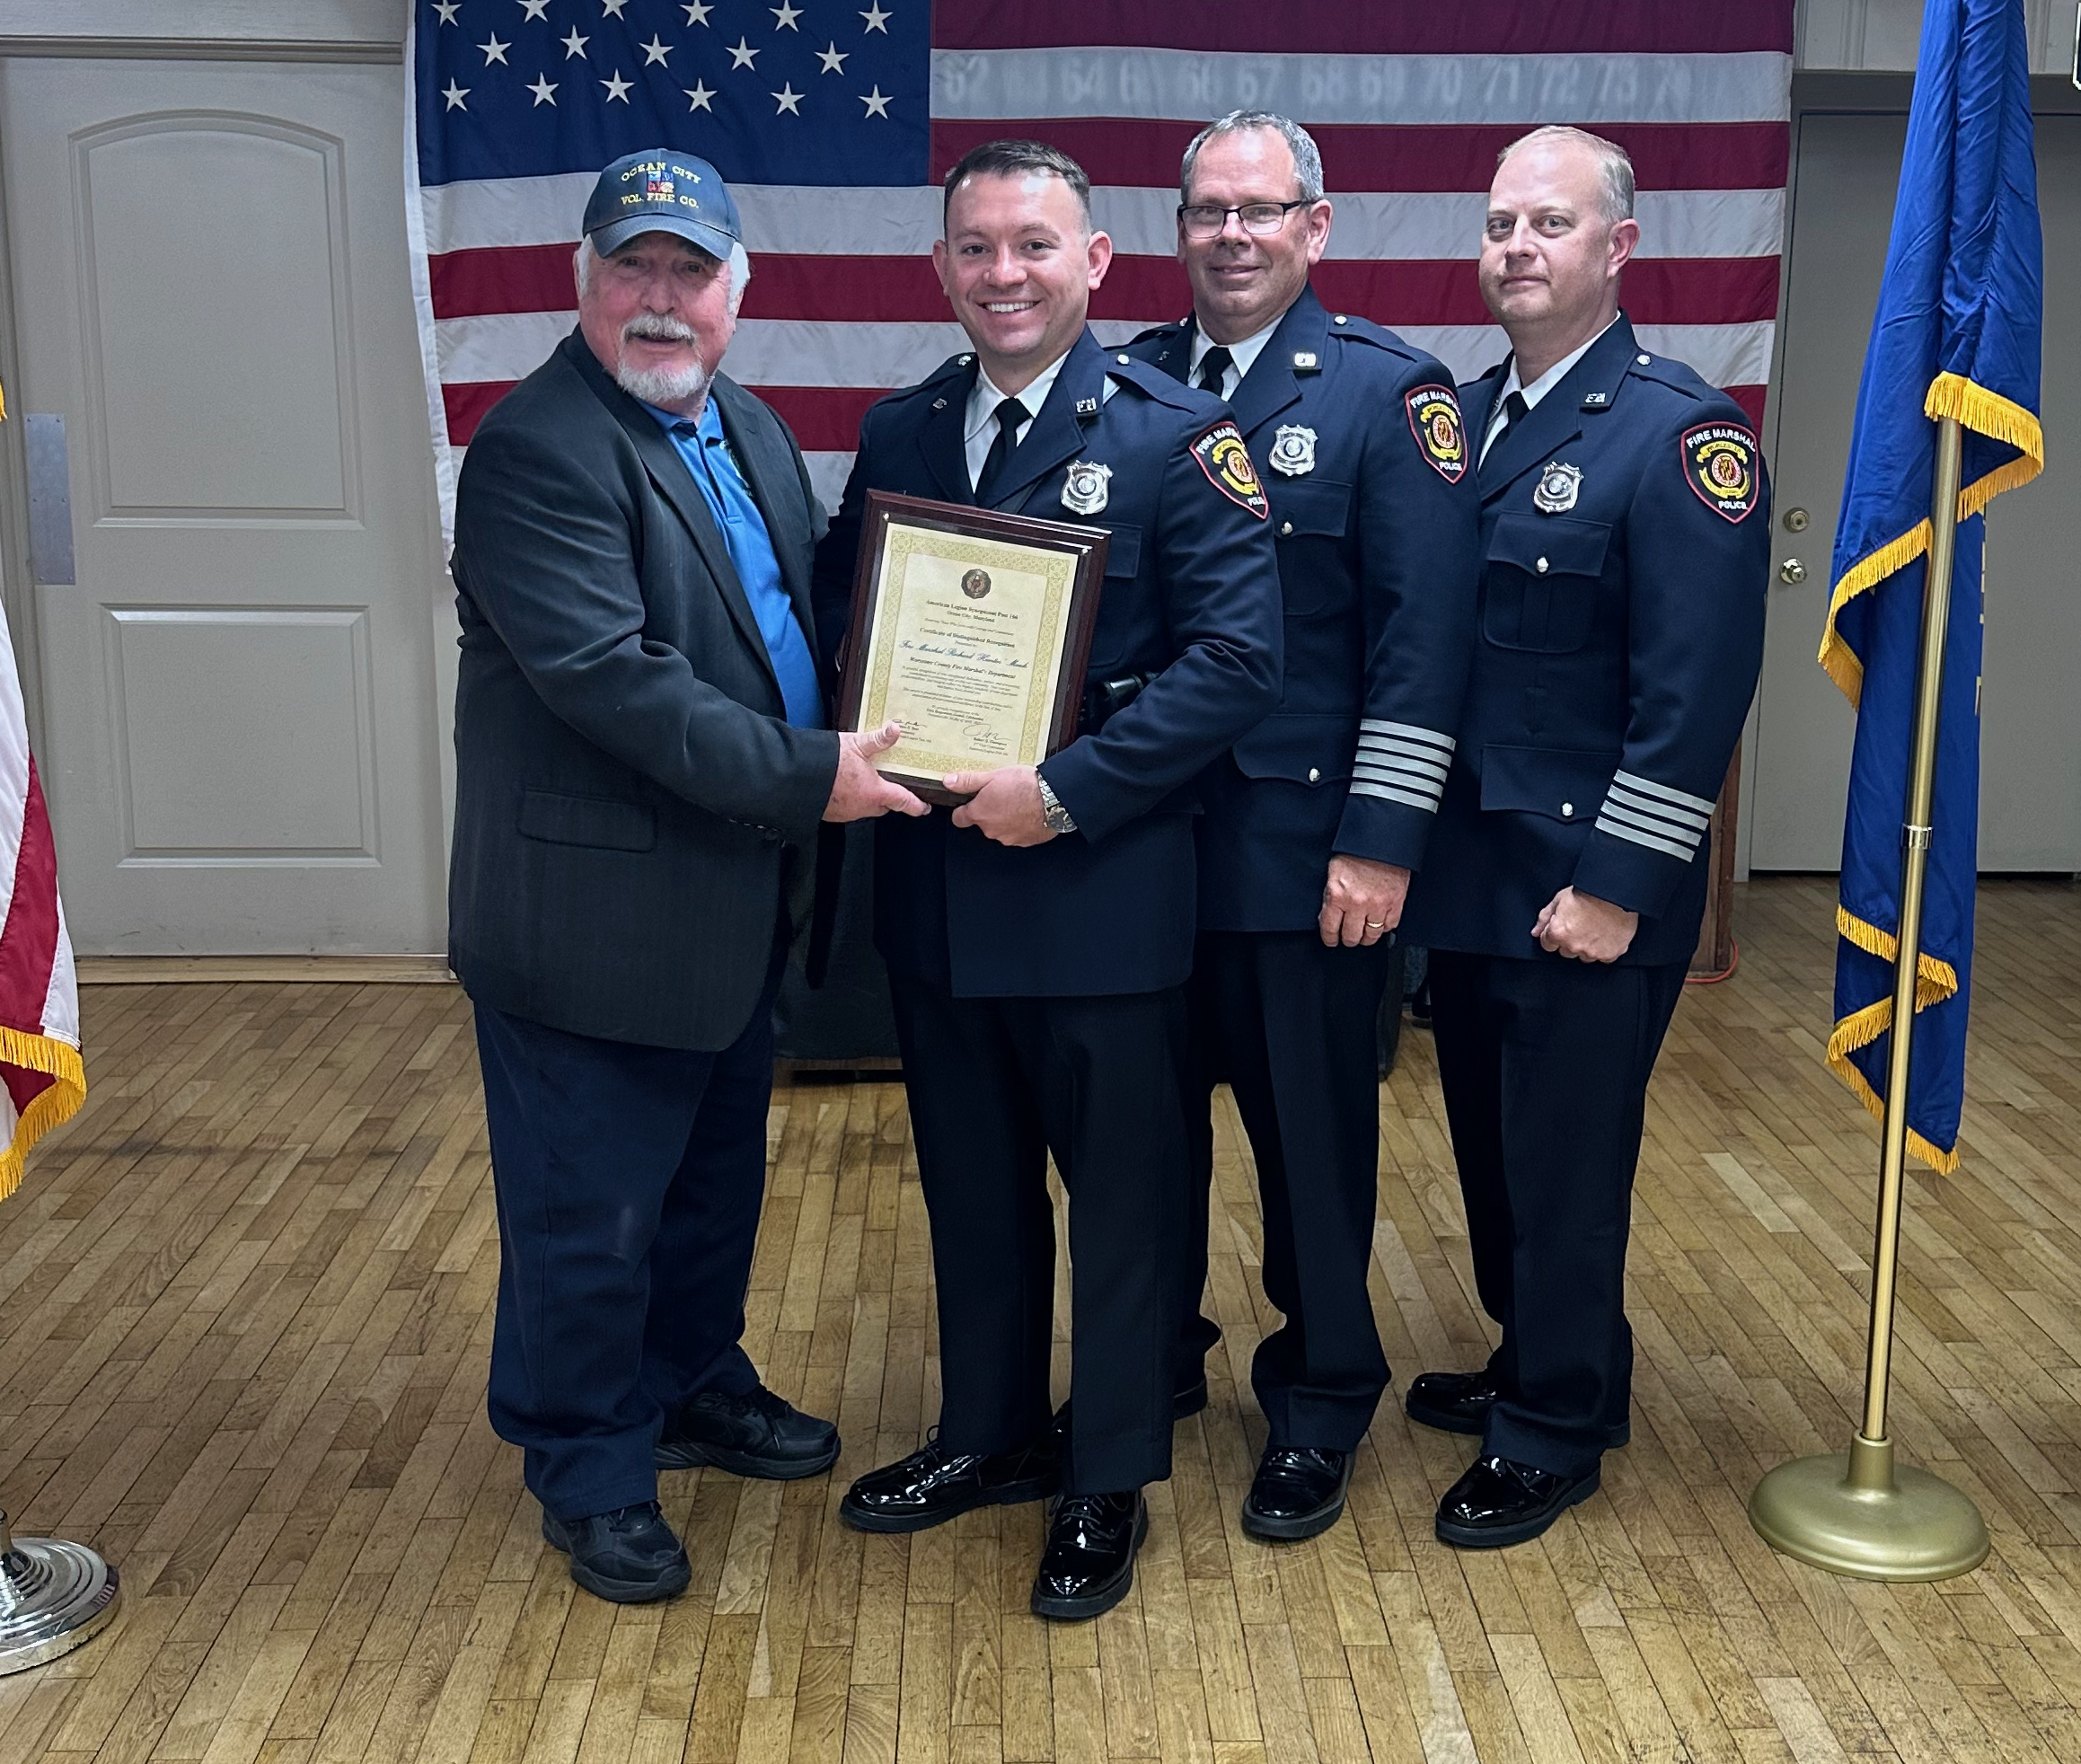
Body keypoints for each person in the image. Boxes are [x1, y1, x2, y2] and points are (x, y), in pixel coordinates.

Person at [812, 140, 1283, 1621]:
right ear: (941, 268)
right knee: (971, 1186)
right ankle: (990, 1432)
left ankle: (1108, 1476)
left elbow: (1238, 662)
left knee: (1125, 1203)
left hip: (1098, 898)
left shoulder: (1176, 434)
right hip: (937, 895)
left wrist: (1069, 791)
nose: (1003, 273)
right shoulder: (900, 429)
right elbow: (845, 615)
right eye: (977, 248)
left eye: (1033, 245)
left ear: (1094, 262)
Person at [448, 149, 925, 1604]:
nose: (661, 298)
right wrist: (814, 776)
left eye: (689, 271)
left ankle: (691, 1382)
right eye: (632, 267)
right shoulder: (539, 449)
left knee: (710, 1187)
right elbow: (615, 682)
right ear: (581, 279)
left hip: (731, 895)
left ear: (736, 292)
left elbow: (810, 606)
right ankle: (589, 1464)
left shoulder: (748, 425)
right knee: (589, 1216)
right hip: (594, 923)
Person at [1398, 126, 1768, 1548]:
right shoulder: (1464, 419)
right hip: (1475, 874)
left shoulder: (1680, 434)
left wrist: (1616, 886)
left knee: (1565, 1168)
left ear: (1619, 248)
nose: (1516, 247)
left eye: (1548, 224)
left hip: (1589, 886)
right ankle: (1542, 1358)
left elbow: (1695, 694)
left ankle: (1552, 1428)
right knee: (1496, 1154)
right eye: (1500, 224)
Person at [1123, 111, 1476, 1542]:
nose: (1232, 235)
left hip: (1305, 859)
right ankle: (1151, 1361)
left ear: (1314, 227)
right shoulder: (1131, 380)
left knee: (1312, 1153)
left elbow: (1423, 640)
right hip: (1144, 851)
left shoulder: (1390, 395)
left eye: (1260, 210)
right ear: (1179, 228)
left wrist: (1381, 840)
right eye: (1208, 210)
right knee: (1139, 1144)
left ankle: (1323, 1398)